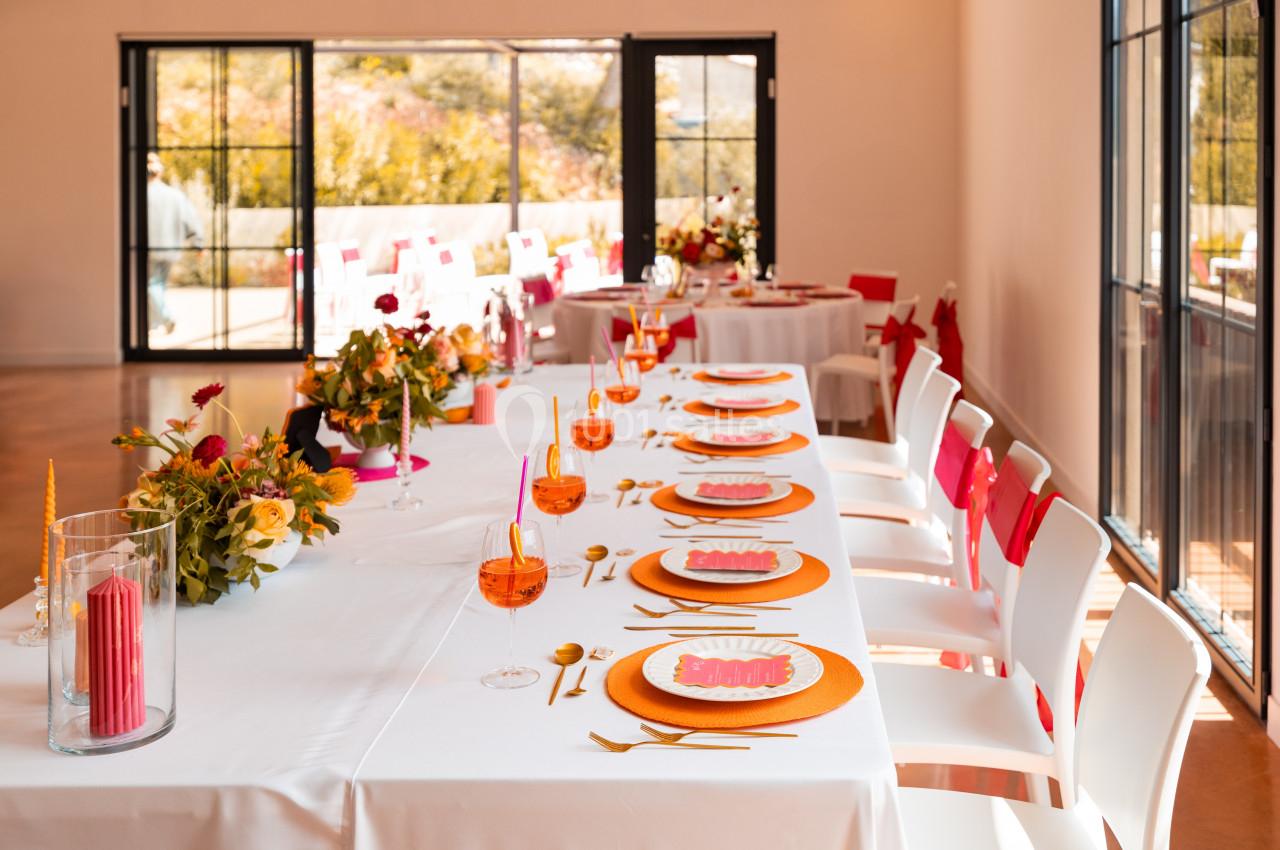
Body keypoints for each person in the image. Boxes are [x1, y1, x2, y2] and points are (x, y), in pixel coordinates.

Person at [146, 153, 204, 335]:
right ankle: (153, 324)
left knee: (152, 284)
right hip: (171, 250)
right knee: (159, 285)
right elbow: (191, 220)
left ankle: (165, 318)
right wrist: (198, 243)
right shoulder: (175, 196)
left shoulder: (141, 196)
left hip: (150, 249)